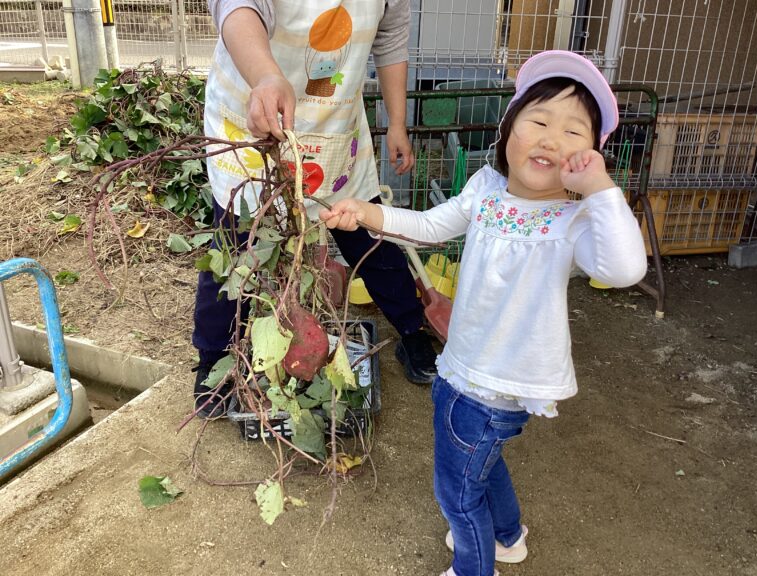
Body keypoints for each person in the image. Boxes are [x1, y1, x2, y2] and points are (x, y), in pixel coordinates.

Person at [319, 50, 648, 576]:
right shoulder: (486, 191)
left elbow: (627, 268)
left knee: (457, 493)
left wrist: (602, 191)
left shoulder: (575, 219)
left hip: (498, 383)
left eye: (574, 133)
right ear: (508, 131)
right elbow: (428, 226)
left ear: (589, 156)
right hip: (463, 363)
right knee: (480, 466)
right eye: (538, 120)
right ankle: (508, 537)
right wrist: (366, 213)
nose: (551, 138)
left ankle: (475, 567)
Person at [193, 1, 439, 418]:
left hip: (332, 129)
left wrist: (397, 122)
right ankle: (213, 360)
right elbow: (237, 7)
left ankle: (412, 330)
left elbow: (391, 37)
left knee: (366, 239)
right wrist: (266, 75)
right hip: (254, 120)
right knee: (237, 245)